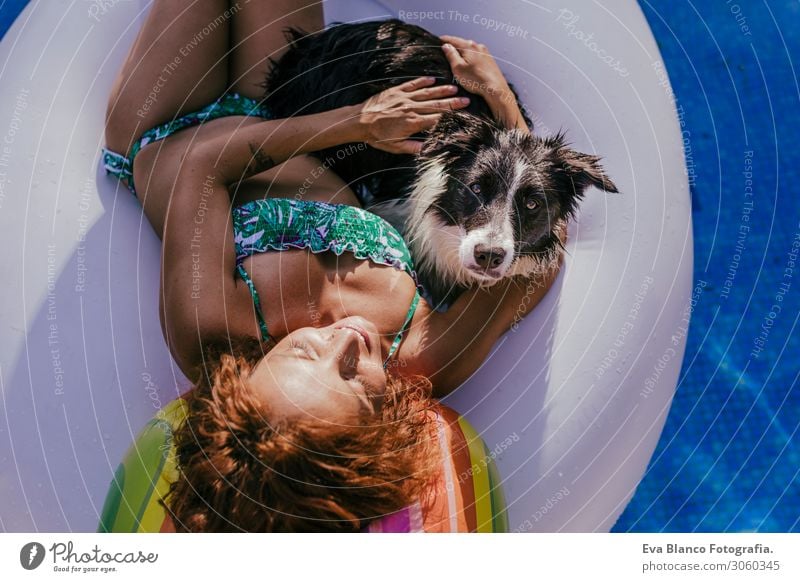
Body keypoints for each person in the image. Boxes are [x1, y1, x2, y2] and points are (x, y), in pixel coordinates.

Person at [103, 0, 561, 531]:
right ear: (380, 431)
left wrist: (357, 123)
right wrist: (499, 100)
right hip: (287, 111)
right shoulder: (422, 355)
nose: (347, 338)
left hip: (175, 127)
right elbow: (543, 243)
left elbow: (196, 162)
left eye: (304, 350)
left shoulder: (212, 330)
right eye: (358, 382)